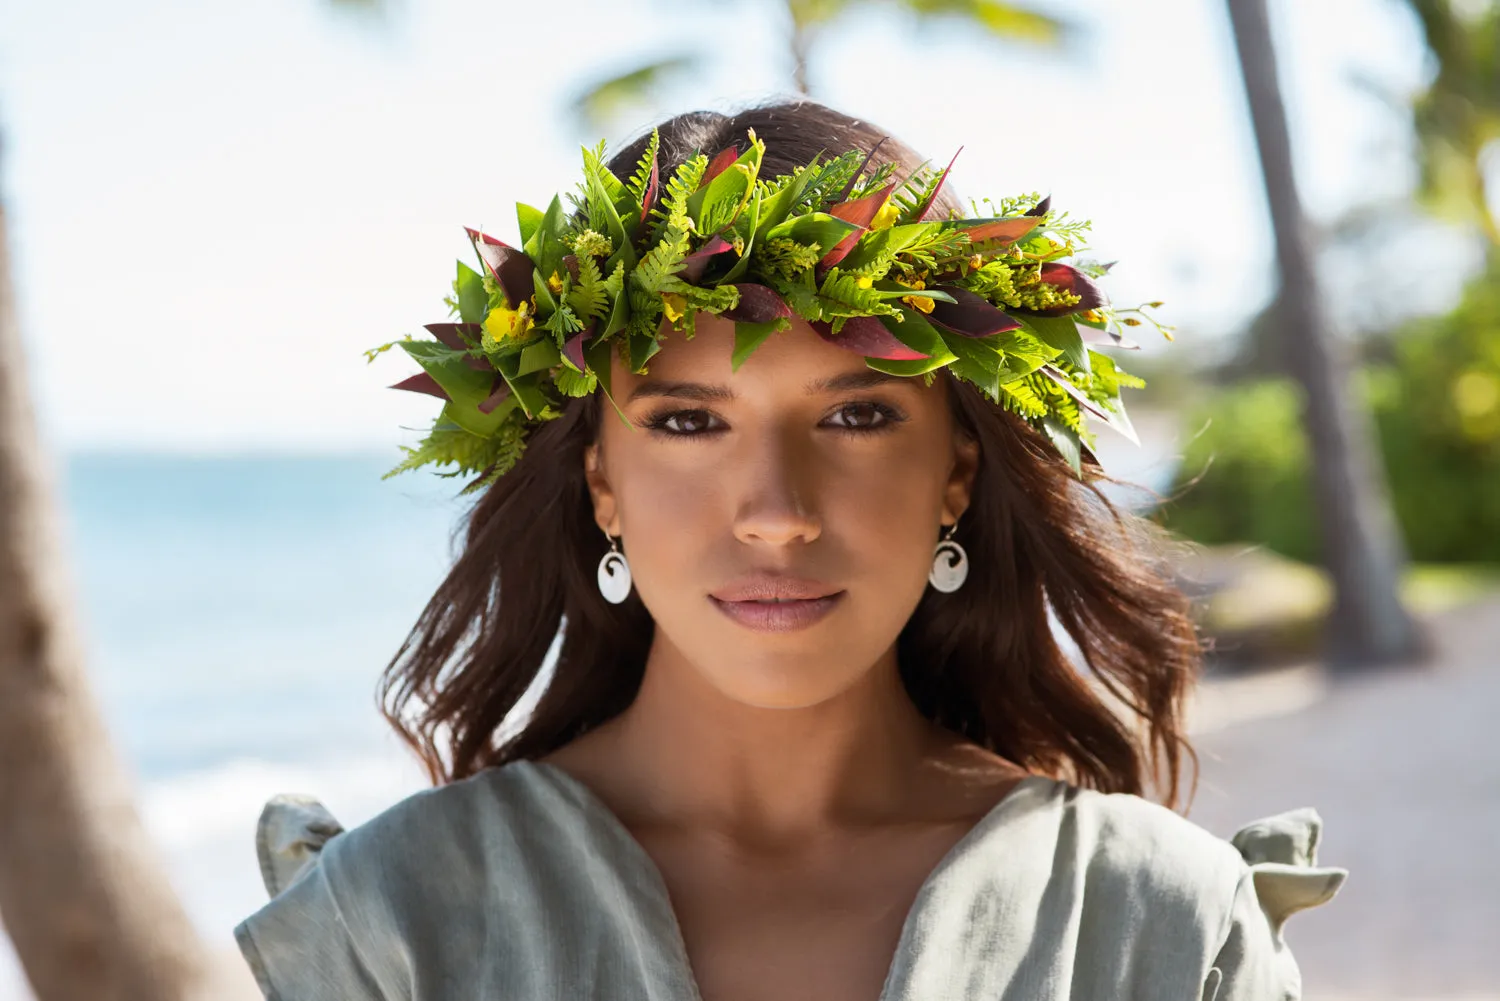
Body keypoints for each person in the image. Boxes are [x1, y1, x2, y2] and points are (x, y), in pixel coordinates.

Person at [235, 100, 1345, 1001]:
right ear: (601, 483)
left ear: (957, 469)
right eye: (686, 421)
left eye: (856, 417)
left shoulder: (1162, 918)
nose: (775, 512)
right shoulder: (393, 918)